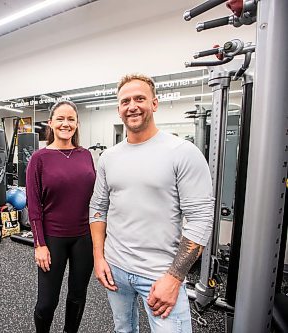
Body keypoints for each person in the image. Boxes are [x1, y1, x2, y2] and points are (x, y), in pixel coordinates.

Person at [89, 74, 214, 332]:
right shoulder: (108, 158)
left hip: (161, 273)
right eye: (125, 101)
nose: (132, 106)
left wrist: (175, 276)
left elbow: (201, 218)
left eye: (139, 99)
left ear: (154, 104)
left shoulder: (182, 152)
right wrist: (99, 257)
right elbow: (98, 209)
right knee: (123, 329)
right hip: (116, 268)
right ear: (119, 109)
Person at [26, 100, 96, 333]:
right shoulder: (39, 158)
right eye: (60, 119)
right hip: (53, 239)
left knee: (77, 296)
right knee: (47, 303)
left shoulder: (86, 155)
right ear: (51, 123)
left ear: (77, 124)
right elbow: (34, 207)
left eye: (71, 119)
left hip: (83, 238)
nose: (66, 123)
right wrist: (39, 244)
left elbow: (94, 198)